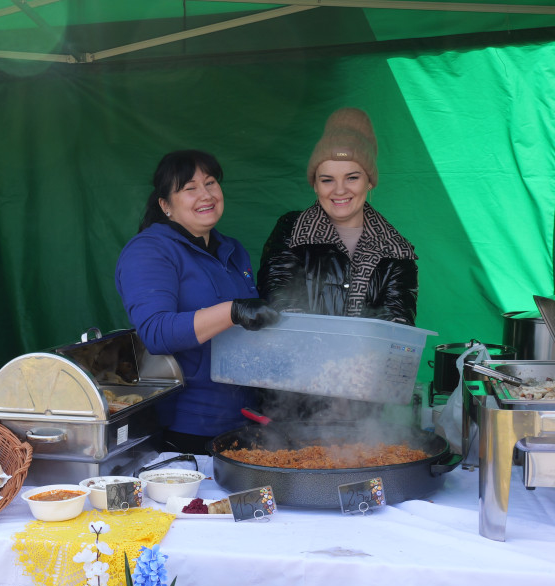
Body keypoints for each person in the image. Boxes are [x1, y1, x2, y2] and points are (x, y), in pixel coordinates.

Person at [116, 149, 279, 454]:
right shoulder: (149, 251)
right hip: (186, 429)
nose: (205, 195)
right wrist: (232, 311)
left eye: (211, 183)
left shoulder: (232, 250)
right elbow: (156, 332)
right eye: (189, 189)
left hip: (244, 420)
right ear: (165, 205)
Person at [258, 107, 418, 324]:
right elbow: (280, 301)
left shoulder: (396, 252)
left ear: (369, 182)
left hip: (366, 359)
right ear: (315, 185)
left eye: (352, 178)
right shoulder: (291, 231)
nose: (340, 190)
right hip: (299, 355)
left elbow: (397, 323)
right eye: (327, 180)